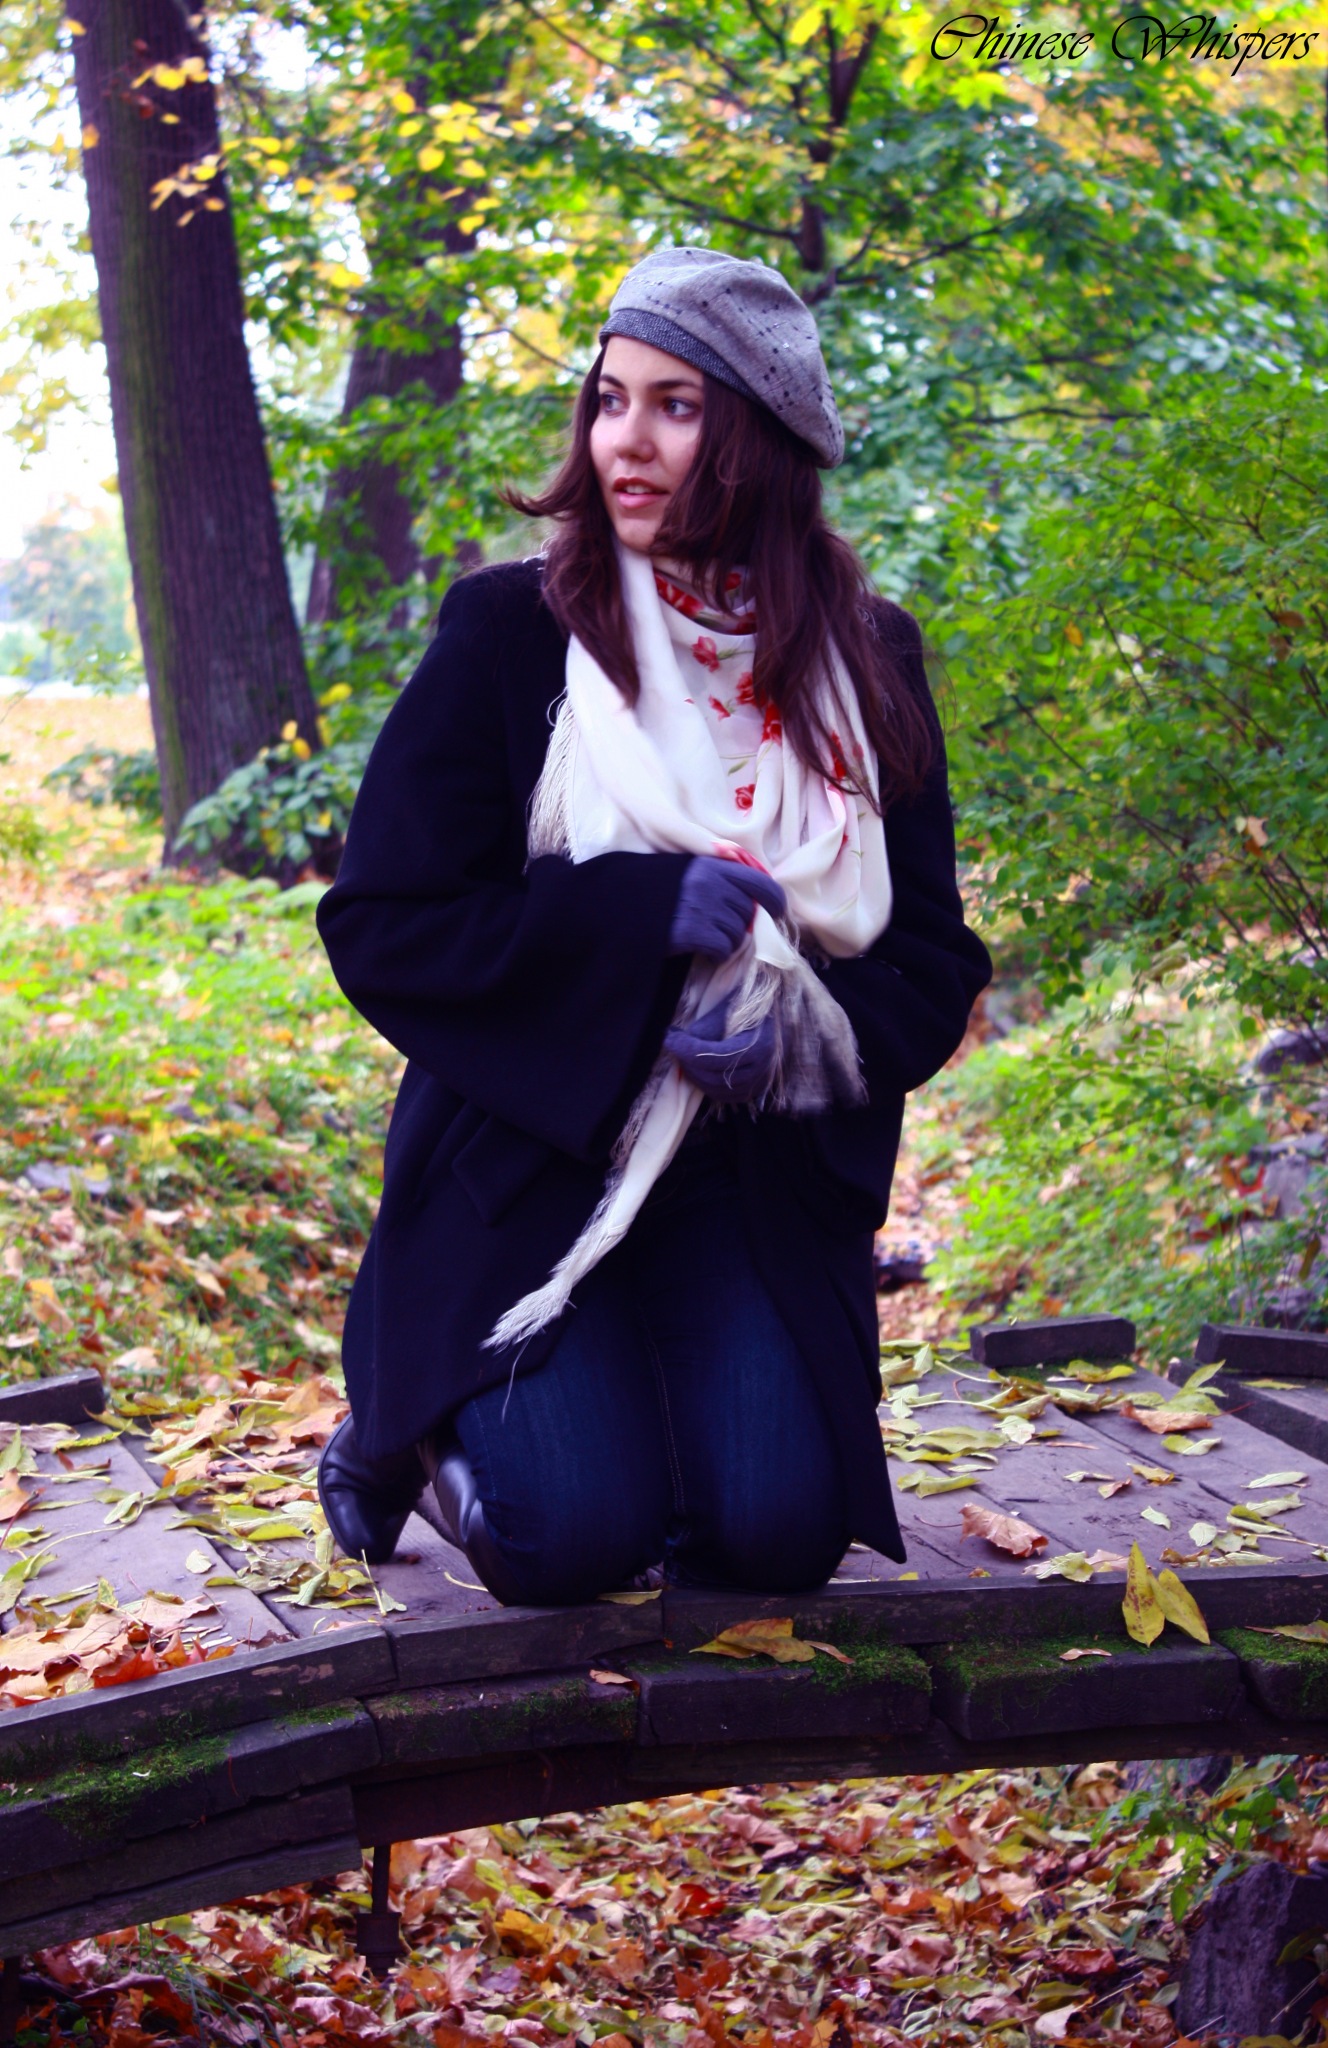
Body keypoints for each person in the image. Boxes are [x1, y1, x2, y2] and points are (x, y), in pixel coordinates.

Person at [314, 245, 991, 1607]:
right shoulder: (514, 631)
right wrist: (630, 916)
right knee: (565, 1539)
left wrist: (810, 1035)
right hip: (535, 1166)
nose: (625, 439)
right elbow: (383, 919)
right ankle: (403, 1432)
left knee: (777, 1539)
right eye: (611, 398)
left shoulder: (868, 655)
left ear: (762, 439)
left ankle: (663, 1429)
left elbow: (931, 956)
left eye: (676, 406)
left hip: (758, 1179)